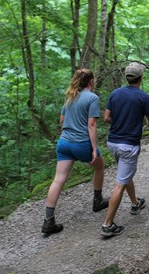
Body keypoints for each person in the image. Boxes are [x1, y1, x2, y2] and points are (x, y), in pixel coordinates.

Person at [100, 62, 149, 237]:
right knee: (120, 183)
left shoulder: (115, 93)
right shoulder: (144, 97)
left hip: (113, 143)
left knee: (125, 173)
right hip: (128, 145)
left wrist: (120, 121)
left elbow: (106, 117)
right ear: (141, 78)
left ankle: (135, 202)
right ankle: (107, 225)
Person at [42, 68, 109, 236]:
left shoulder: (70, 97)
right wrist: (94, 149)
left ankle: (48, 221)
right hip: (82, 143)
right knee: (100, 167)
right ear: (91, 81)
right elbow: (91, 125)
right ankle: (97, 201)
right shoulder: (92, 98)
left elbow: (62, 120)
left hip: (64, 143)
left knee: (58, 179)